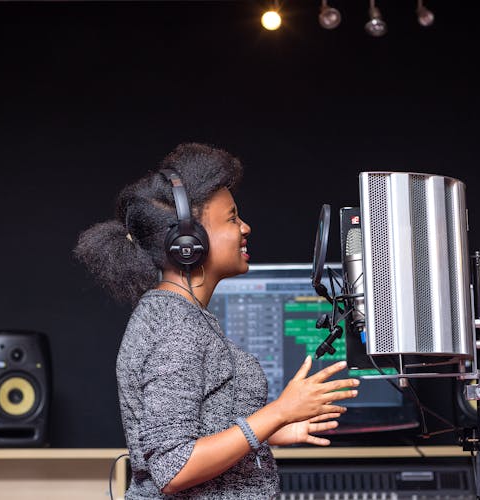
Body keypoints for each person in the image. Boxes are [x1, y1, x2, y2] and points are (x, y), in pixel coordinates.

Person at [74, 142, 360, 499]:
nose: (246, 227)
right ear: (188, 242)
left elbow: (199, 428)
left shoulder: (181, 315)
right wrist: (276, 412)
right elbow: (173, 467)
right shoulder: (176, 325)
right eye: (231, 218)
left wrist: (273, 431)